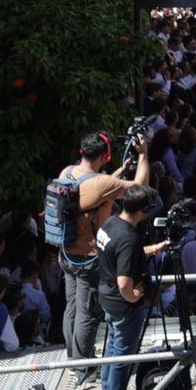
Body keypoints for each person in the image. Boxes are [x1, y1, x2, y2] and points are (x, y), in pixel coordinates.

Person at [56, 130, 150, 360]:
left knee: (72, 308)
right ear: (105, 156)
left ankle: (72, 356)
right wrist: (144, 155)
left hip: (66, 253)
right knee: (86, 314)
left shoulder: (67, 172)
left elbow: (92, 187)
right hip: (88, 258)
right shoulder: (102, 183)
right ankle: (82, 366)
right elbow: (140, 188)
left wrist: (118, 172)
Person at [97, 184, 170, 390]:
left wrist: (157, 247)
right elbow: (123, 282)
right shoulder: (129, 237)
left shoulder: (110, 223)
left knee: (112, 345)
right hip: (124, 304)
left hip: (107, 296)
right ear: (143, 211)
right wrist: (134, 296)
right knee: (123, 354)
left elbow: (124, 254)